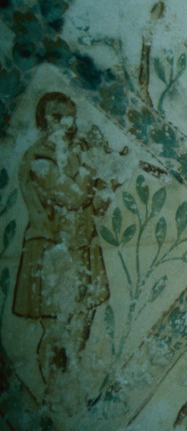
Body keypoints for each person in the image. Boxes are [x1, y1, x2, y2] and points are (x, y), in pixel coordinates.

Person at [12, 92, 111, 404]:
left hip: (82, 246)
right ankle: (54, 392)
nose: (68, 123)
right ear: (43, 122)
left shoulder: (74, 155)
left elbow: (94, 205)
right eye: (58, 117)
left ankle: (73, 386)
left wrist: (109, 182)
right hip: (50, 251)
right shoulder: (38, 159)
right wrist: (93, 162)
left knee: (82, 323)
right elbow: (73, 197)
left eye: (70, 116)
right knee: (56, 328)